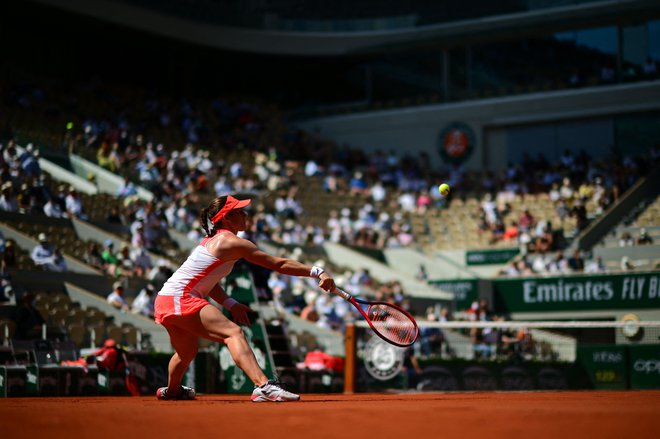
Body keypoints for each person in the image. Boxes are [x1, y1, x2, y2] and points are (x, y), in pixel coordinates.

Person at [153, 194, 336, 402]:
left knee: (186, 352)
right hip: (180, 297)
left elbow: (208, 283)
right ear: (226, 218)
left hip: (164, 299)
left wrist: (230, 304)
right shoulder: (231, 242)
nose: (245, 214)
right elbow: (279, 264)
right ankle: (263, 386)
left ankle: (172, 390)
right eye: (239, 211)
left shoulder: (213, 241)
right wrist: (317, 271)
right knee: (233, 332)